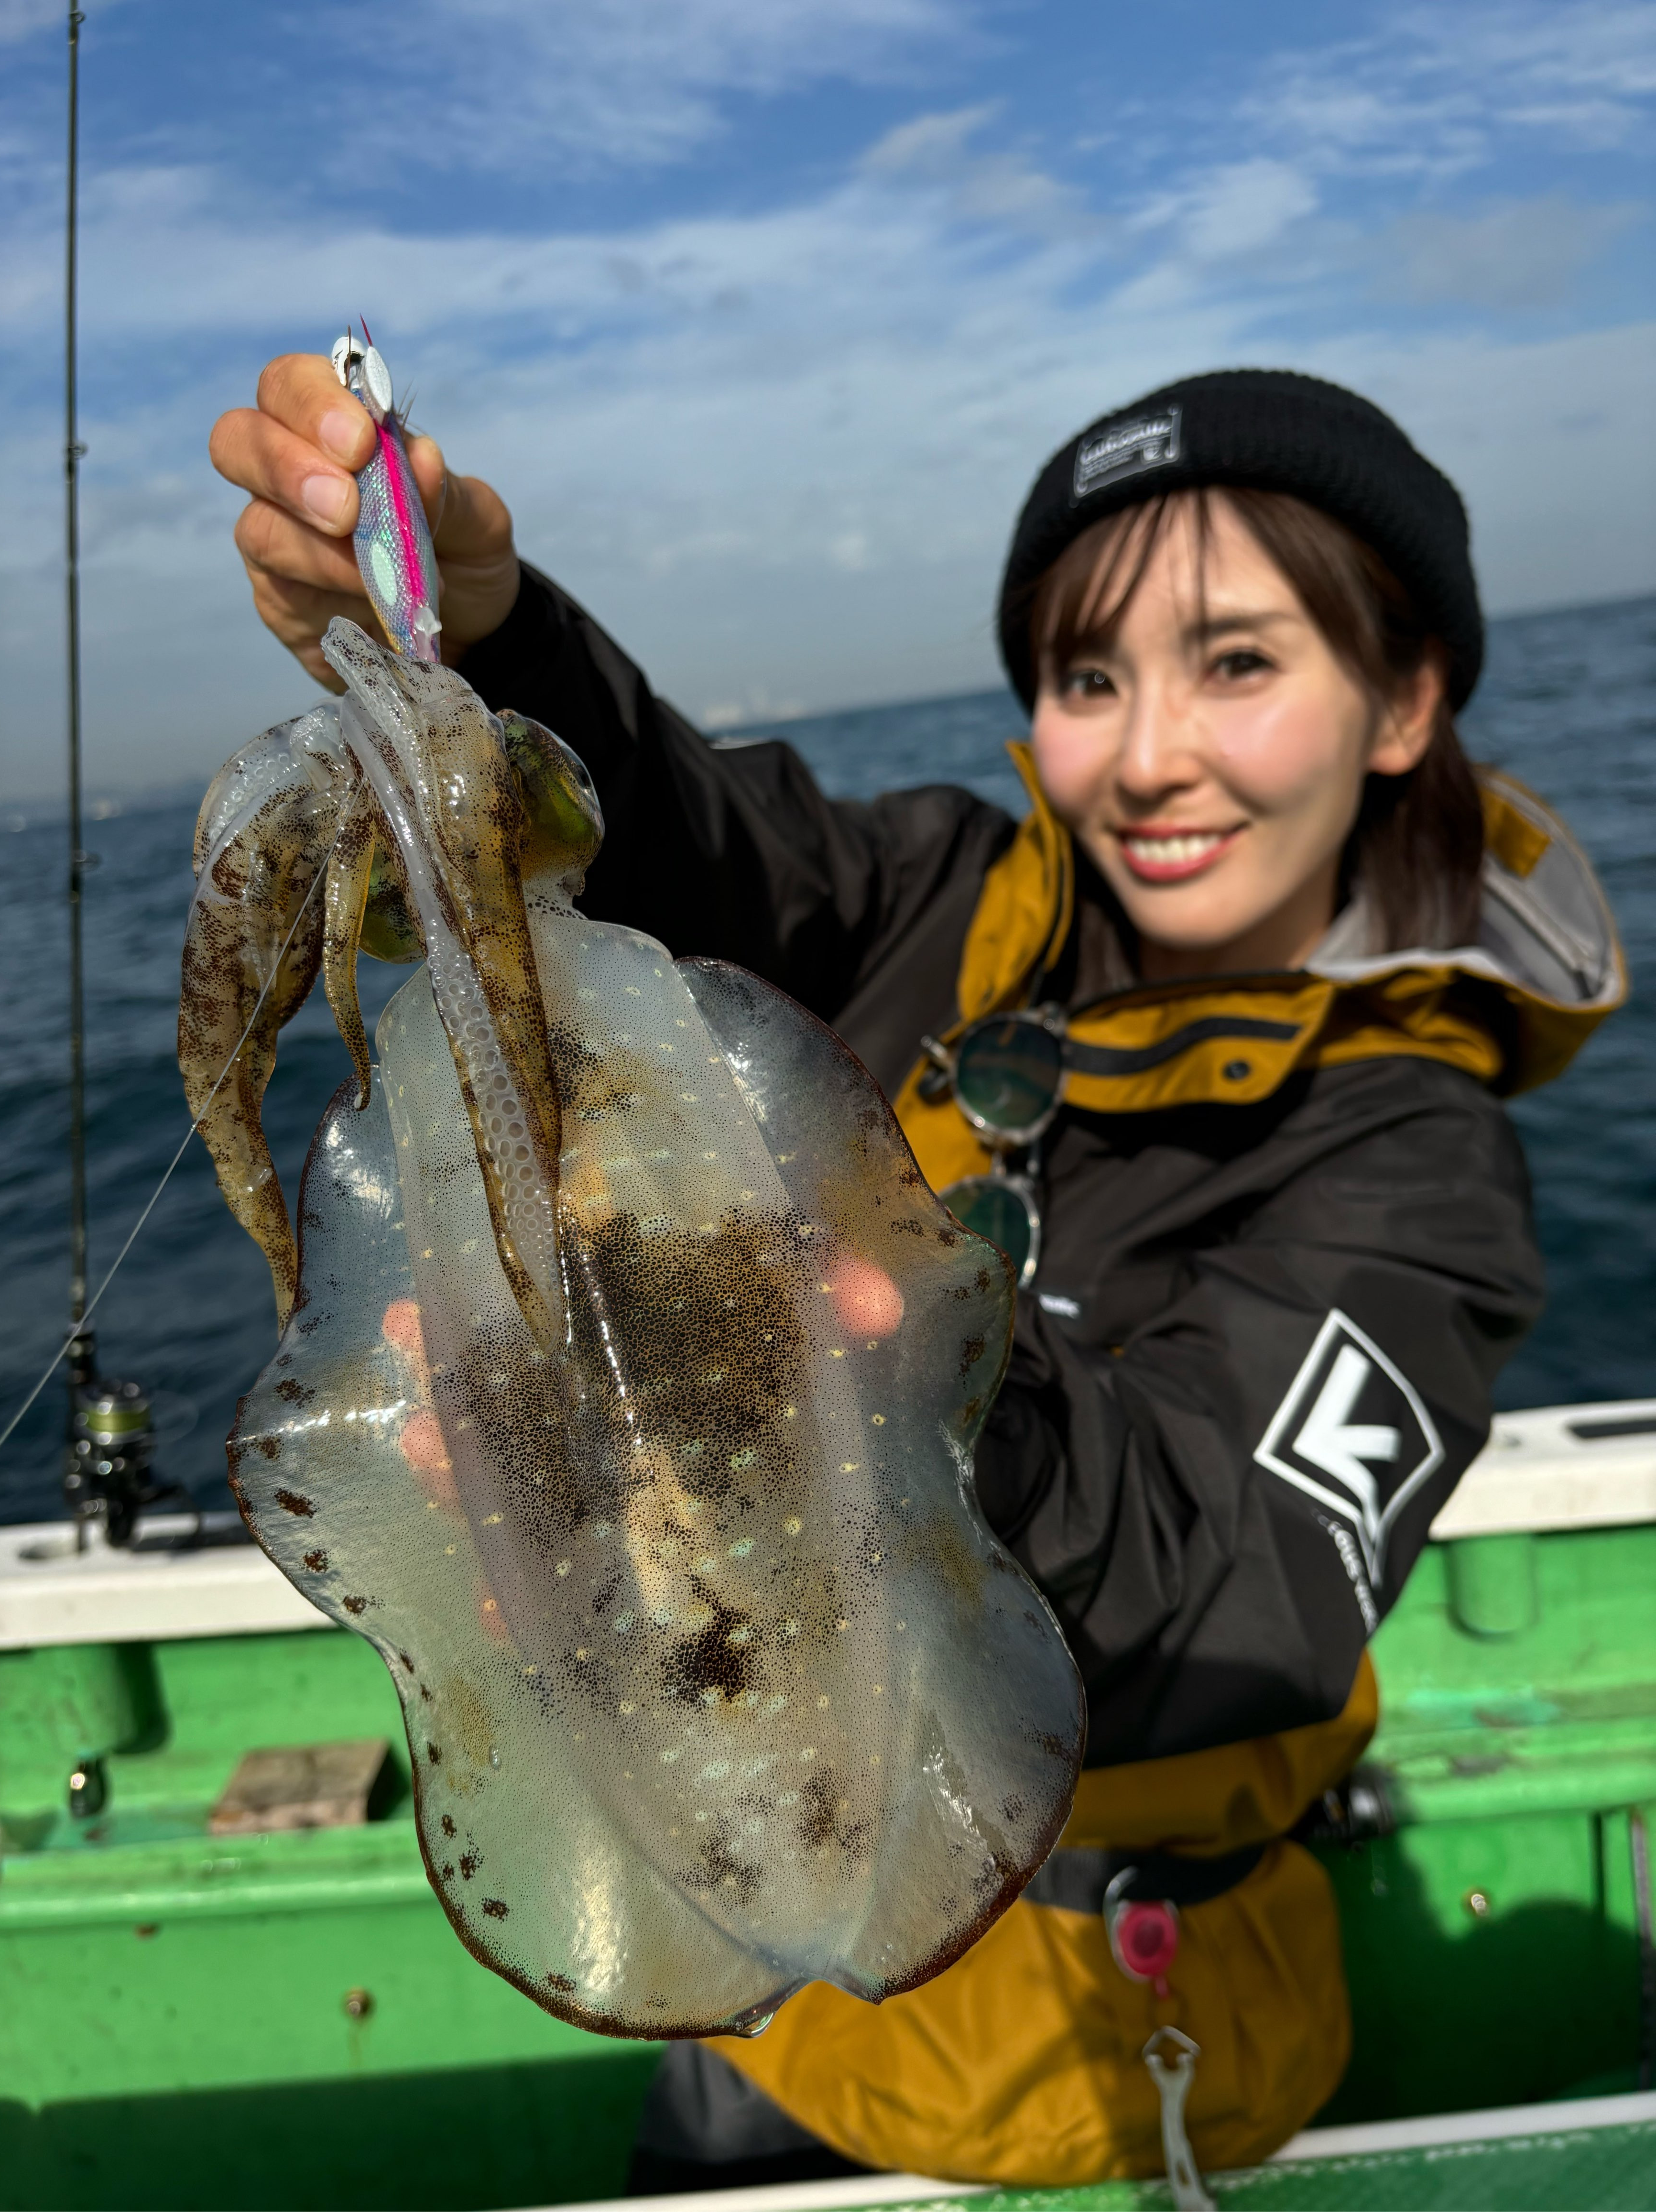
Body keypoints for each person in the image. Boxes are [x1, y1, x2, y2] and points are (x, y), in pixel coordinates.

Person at [210, 364, 1624, 2188]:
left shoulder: (1418, 1157)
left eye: (1241, 663)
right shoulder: (942, 895)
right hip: (769, 2025)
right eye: (1089, 673)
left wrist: (886, 1403)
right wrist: (490, 645)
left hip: (1140, 2050)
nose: (1149, 749)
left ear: (1408, 695)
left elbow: (1239, 1575)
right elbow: (692, 848)